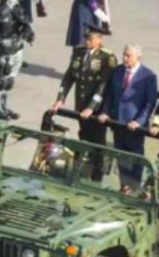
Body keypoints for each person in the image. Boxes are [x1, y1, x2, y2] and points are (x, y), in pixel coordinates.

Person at [50, 25, 117, 180]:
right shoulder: (79, 52)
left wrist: (91, 108)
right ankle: (82, 171)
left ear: (100, 40)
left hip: (97, 109)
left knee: (97, 142)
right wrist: (60, 99)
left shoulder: (107, 57)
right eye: (86, 37)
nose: (86, 41)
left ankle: (96, 175)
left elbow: (103, 86)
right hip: (80, 104)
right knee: (84, 136)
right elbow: (69, 77)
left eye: (90, 38)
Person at [98, 43, 158, 192]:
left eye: (128, 56)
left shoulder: (148, 76)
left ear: (139, 57)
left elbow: (149, 104)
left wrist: (139, 121)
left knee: (135, 158)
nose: (125, 58)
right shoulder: (118, 71)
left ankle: (133, 187)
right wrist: (105, 111)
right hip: (118, 123)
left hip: (134, 127)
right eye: (124, 55)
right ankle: (124, 186)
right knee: (121, 157)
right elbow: (110, 95)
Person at [0, 0, 34, 120]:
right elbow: (2, 25)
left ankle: (4, 105)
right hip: (5, 50)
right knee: (2, 79)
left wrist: (27, 31)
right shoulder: (1, 11)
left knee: (10, 80)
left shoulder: (16, 9)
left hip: (17, 47)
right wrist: (11, 9)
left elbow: (24, 22)